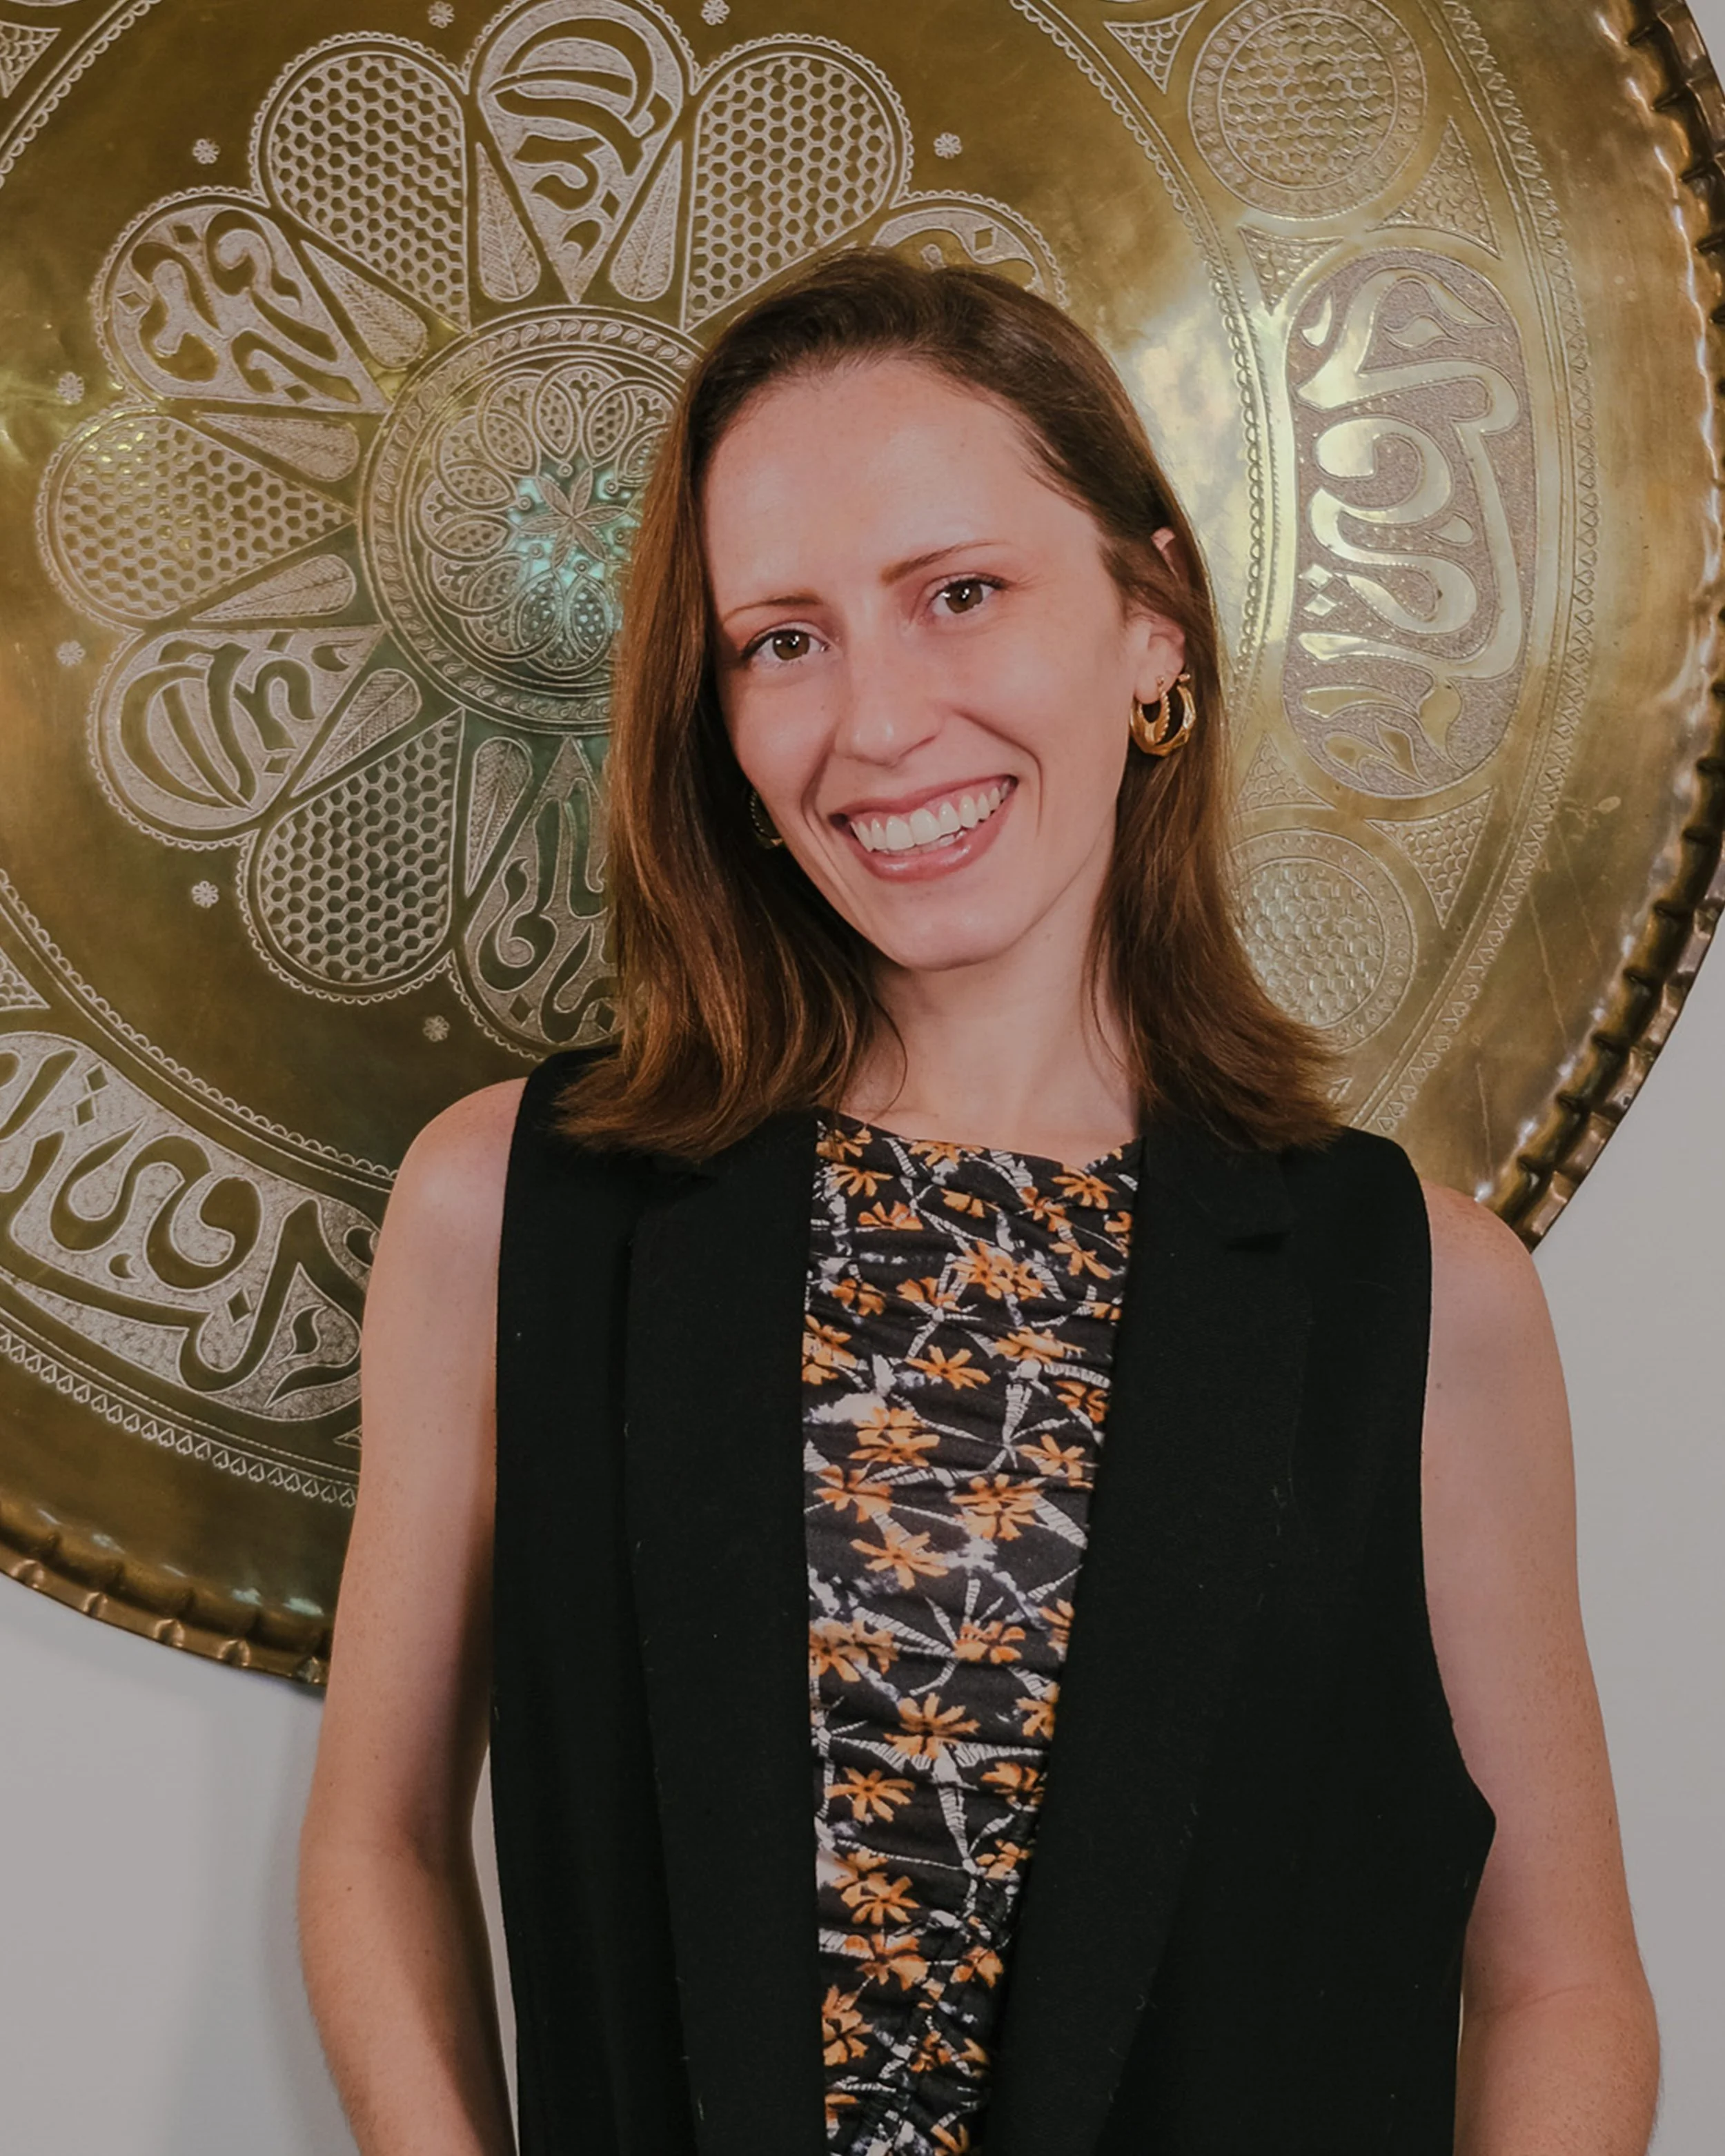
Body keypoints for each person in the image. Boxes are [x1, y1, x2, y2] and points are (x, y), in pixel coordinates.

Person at [297, 250, 1659, 2156]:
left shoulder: (1418, 1293)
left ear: (1149, 625)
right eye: (783, 637)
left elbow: (1562, 1981)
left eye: (958, 593)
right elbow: (374, 1840)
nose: (874, 721)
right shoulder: (510, 1209)